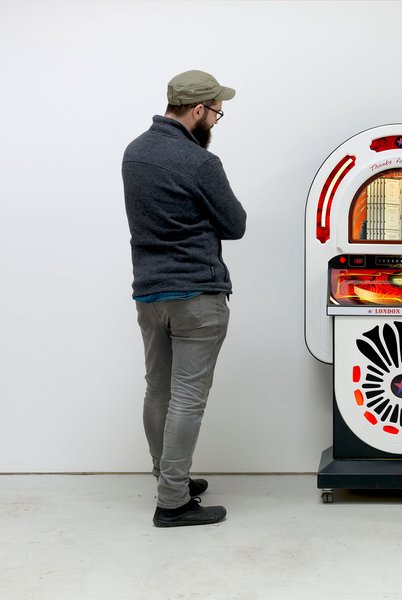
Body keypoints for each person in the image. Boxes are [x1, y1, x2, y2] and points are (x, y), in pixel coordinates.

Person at [122, 70, 246, 527]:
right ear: (198, 111)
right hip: (196, 294)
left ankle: (167, 478)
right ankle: (172, 502)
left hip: (149, 294)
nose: (215, 120)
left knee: (158, 389)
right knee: (188, 398)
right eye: (216, 112)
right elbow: (235, 224)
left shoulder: (134, 153)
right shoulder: (199, 163)